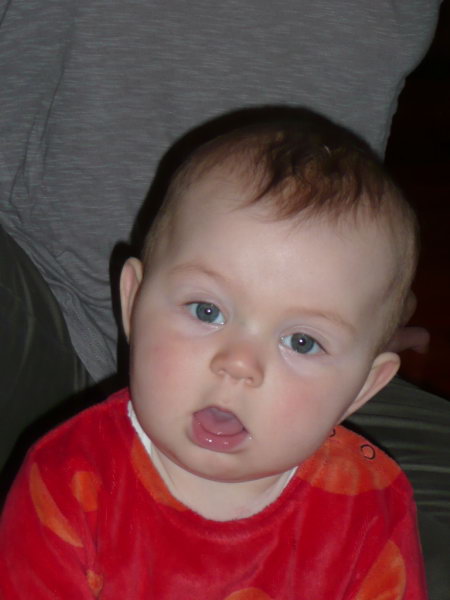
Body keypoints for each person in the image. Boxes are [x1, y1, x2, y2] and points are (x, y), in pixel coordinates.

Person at [0, 110, 428, 598]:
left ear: (363, 388)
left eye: (302, 342)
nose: (239, 364)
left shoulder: (371, 506)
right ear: (134, 303)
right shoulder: (67, 479)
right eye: (207, 311)